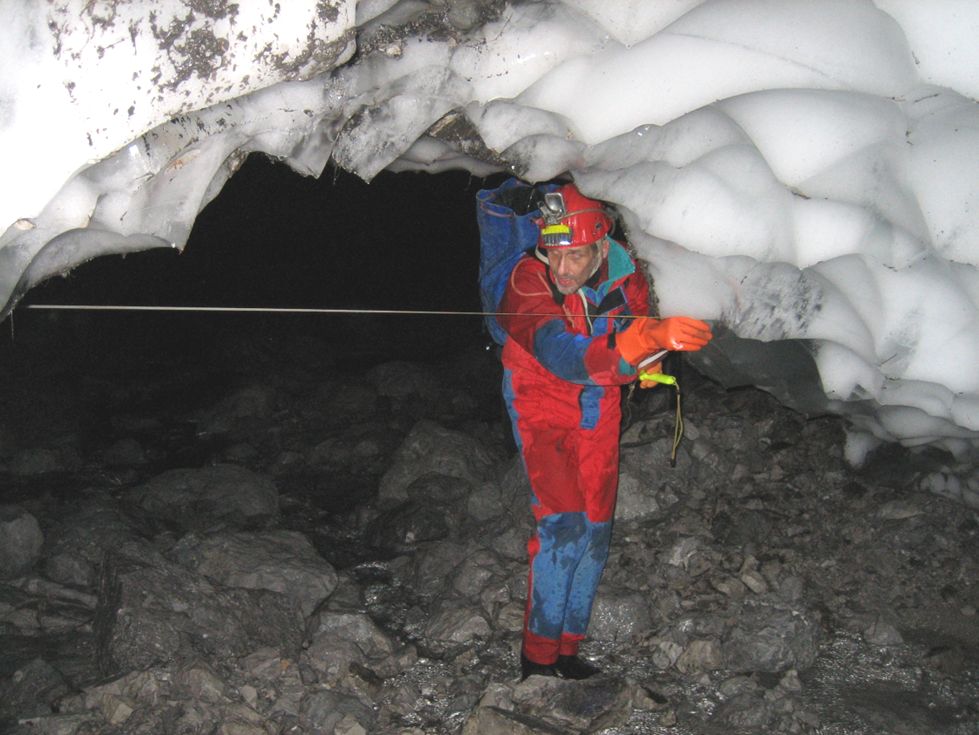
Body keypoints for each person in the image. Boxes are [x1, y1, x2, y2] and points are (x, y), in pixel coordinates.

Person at [496, 182, 713, 680]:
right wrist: (633, 347)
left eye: (574, 255)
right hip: (540, 407)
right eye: (554, 253)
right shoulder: (527, 280)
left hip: (600, 409)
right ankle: (537, 659)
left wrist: (649, 356)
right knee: (564, 526)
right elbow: (561, 353)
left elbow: (635, 333)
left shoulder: (626, 278)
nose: (561, 269)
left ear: (601, 246)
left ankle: (567, 651)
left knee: (596, 529)